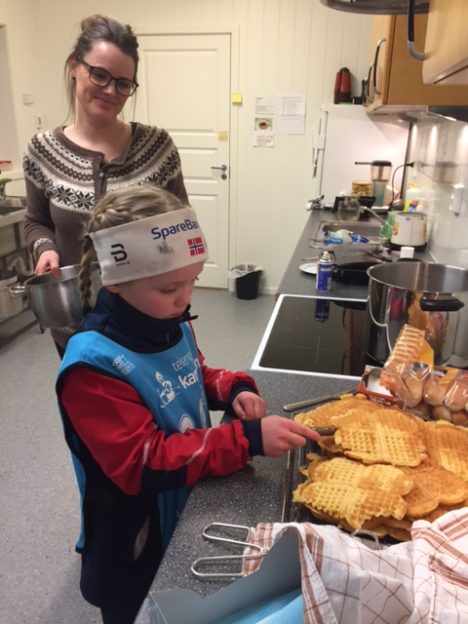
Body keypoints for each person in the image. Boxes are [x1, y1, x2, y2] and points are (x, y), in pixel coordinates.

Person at [56, 185, 320, 624]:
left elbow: (191, 372)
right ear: (116, 282)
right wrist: (246, 440)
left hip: (184, 498)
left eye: (193, 280)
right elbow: (143, 462)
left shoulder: (169, 320)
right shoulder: (92, 366)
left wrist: (232, 389)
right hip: (136, 533)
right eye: (170, 287)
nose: (186, 297)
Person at [23, 14, 188, 353]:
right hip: (75, 329)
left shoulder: (157, 148)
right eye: (99, 74)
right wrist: (46, 249)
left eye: (123, 83)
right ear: (74, 66)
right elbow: (36, 221)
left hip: (148, 325)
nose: (111, 91)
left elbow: (183, 226)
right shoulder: (42, 151)